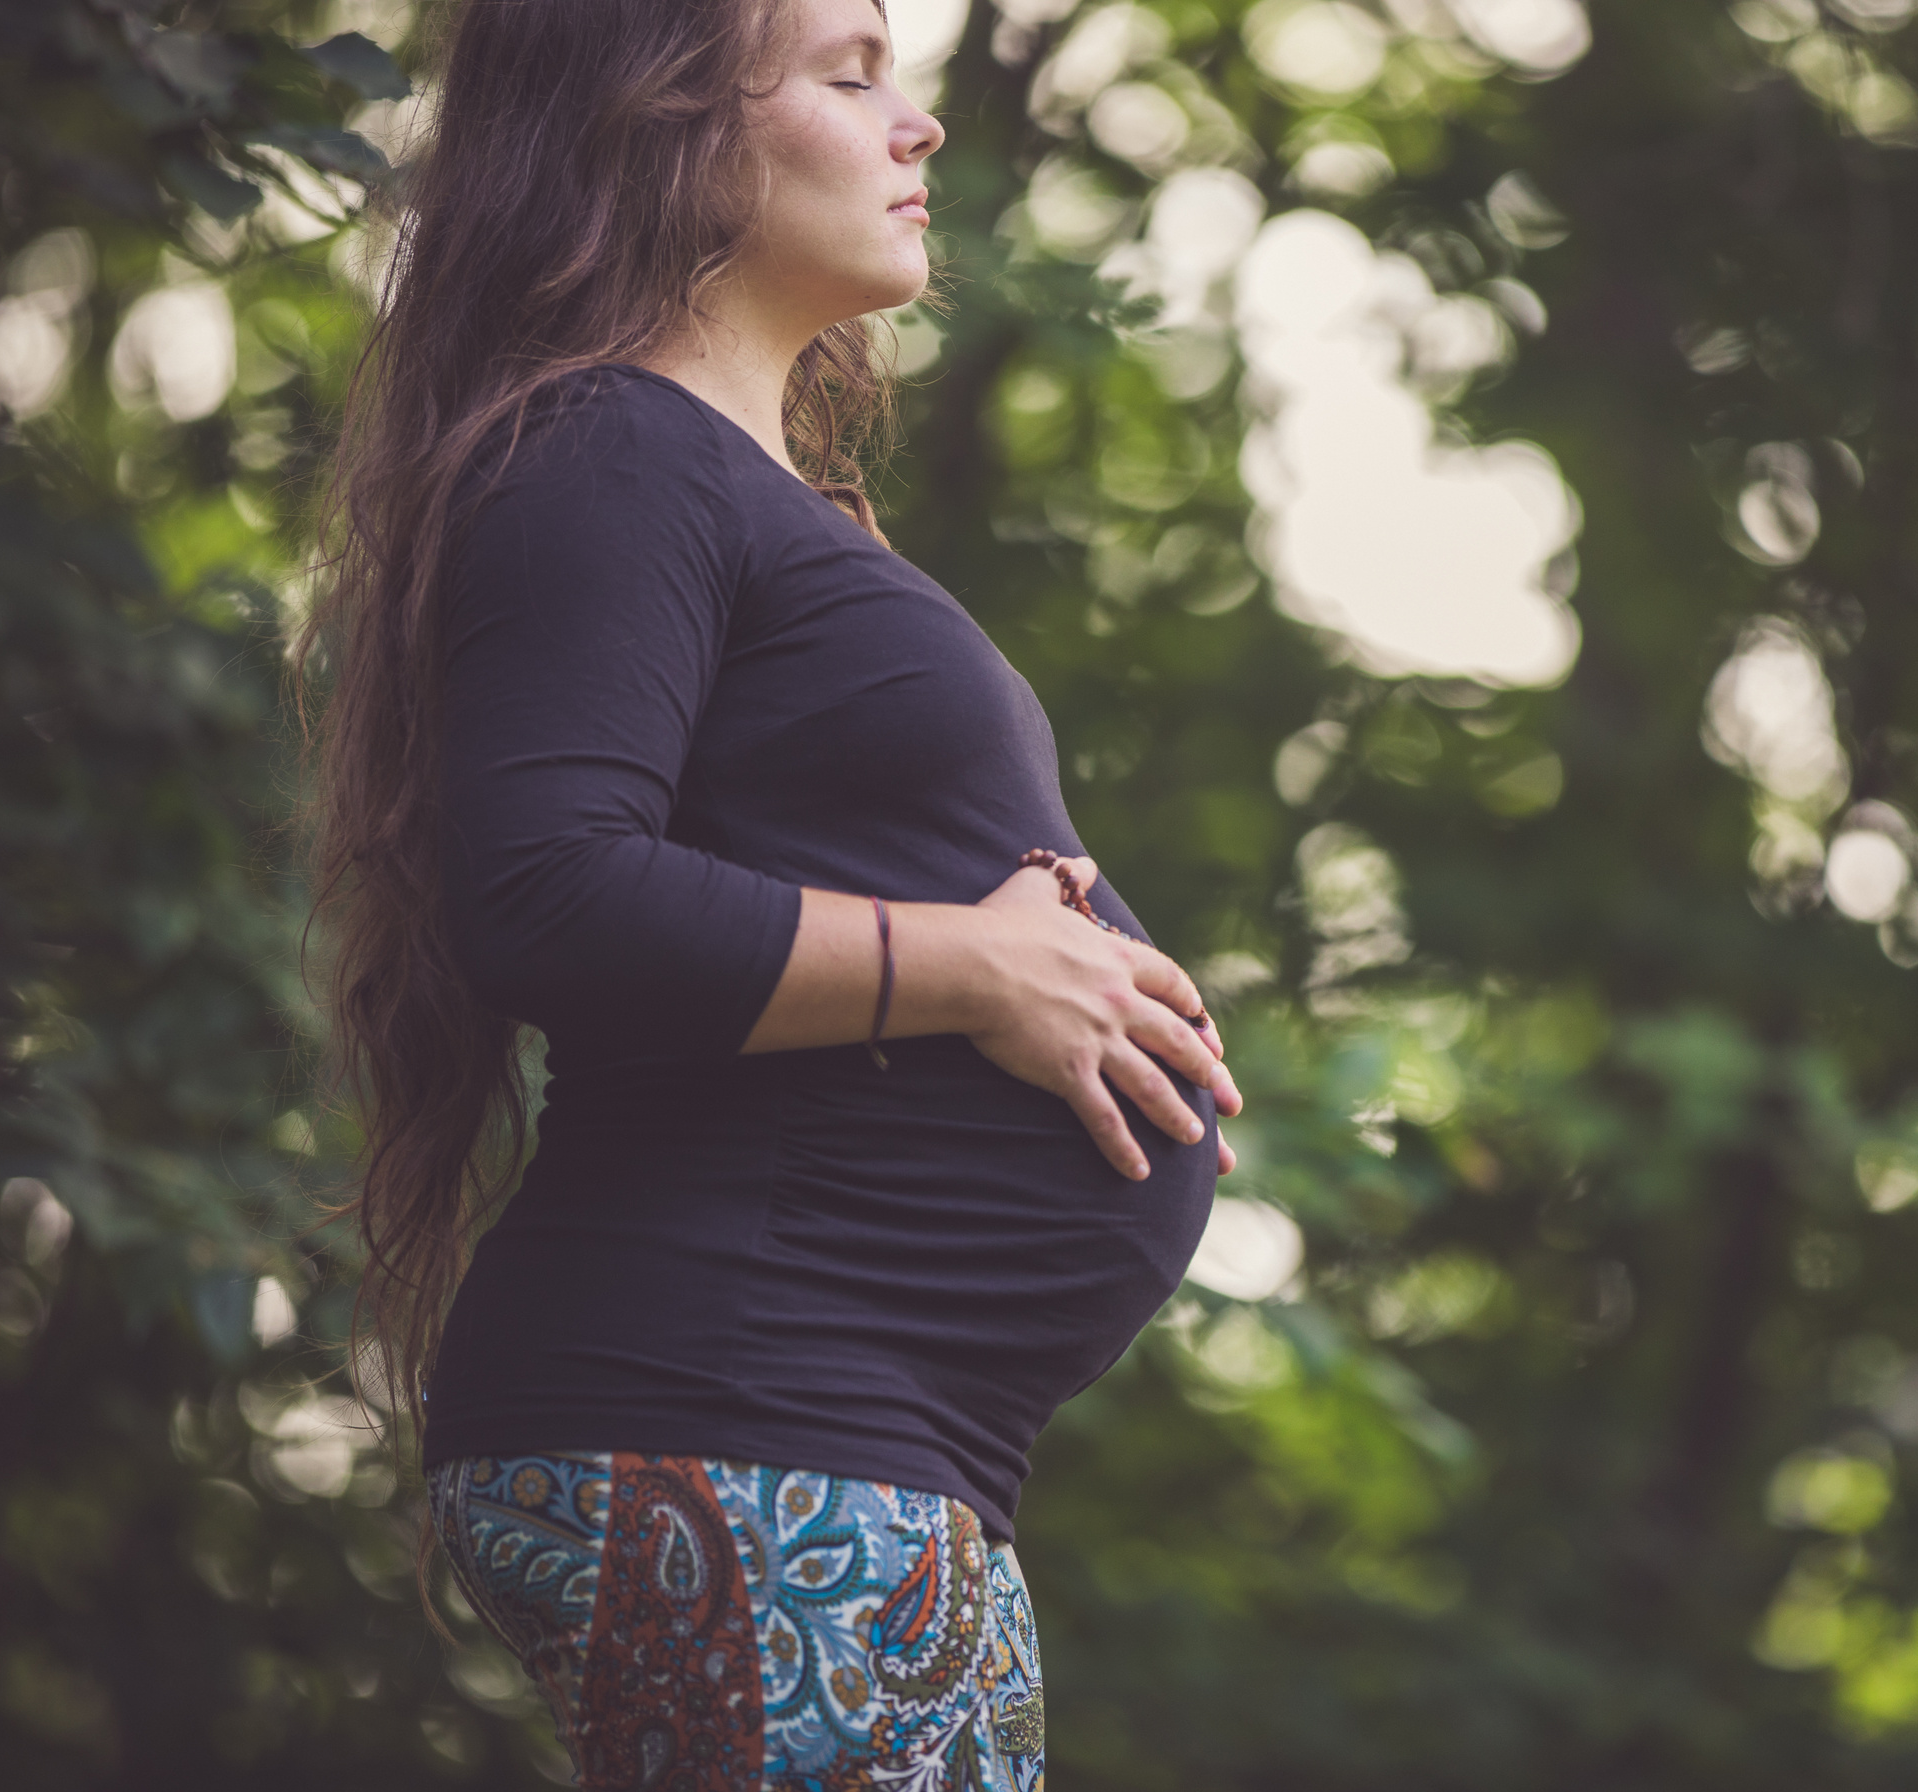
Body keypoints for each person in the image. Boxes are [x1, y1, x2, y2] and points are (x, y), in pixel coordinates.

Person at [299, 1, 1241, 1785]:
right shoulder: (606, 450)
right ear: (661, 124)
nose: (920, 124)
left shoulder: (730, 486)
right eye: (849, 69)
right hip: (749, 1410)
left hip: (836, 1440)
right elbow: (551, 893)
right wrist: (972, 963)